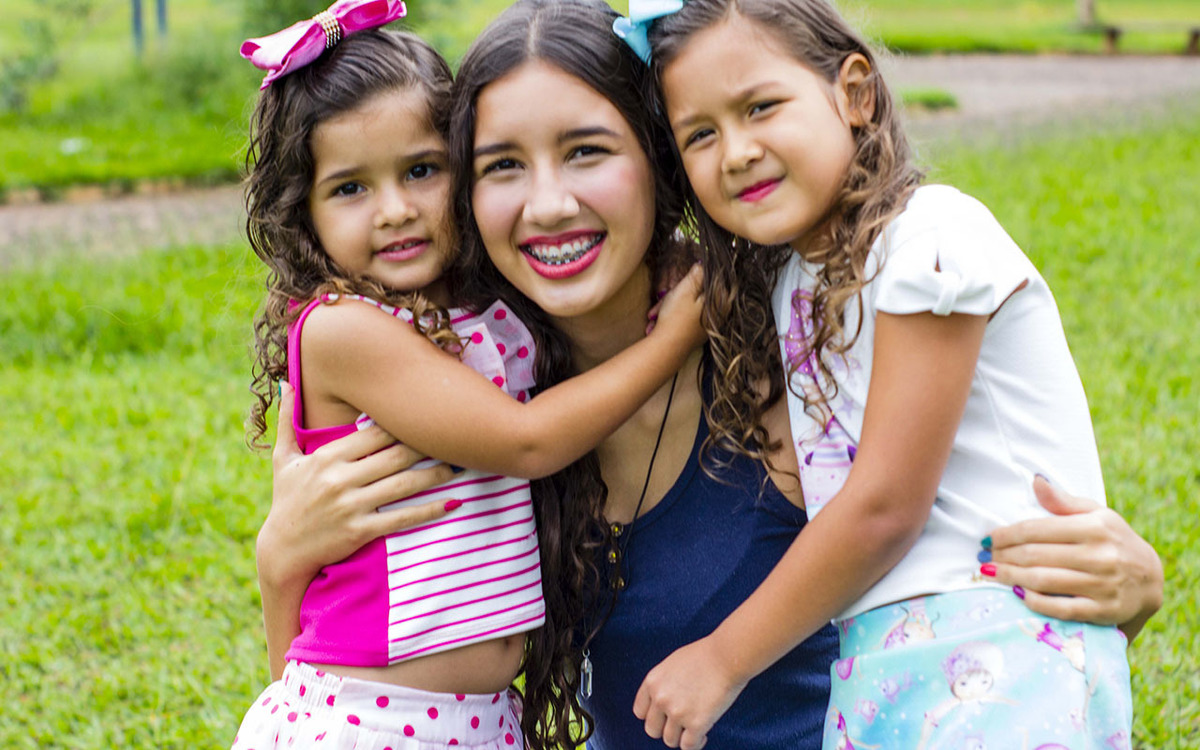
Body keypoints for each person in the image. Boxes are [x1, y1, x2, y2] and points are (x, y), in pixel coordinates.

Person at [260, 0, 1163, 748]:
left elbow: (935, 520)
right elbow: (329, 684)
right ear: (465, 195)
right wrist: (278, 561)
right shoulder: (469, 380)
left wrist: (1126, 587)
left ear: (661, 161)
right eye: (502, 167)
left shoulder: (790, 337)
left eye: (587, 151)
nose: (548, 204)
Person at [625, 0, 1152, 748]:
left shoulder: (929, 236)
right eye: (700, 134)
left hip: (1000, 646)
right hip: (885, 660)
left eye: (761, 107)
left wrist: (722, 659)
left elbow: (885, 507)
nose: (735, 151)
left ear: (855, 95)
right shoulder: (791, 285)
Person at [231, 4, 705, 749]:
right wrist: (673, 336)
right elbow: (524, 442)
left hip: (473, 719)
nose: (395, 211)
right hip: (372, 717)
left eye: (421, 171)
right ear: (305, 215)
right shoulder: (345, 329)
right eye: (350, 188)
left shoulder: (475, 311)